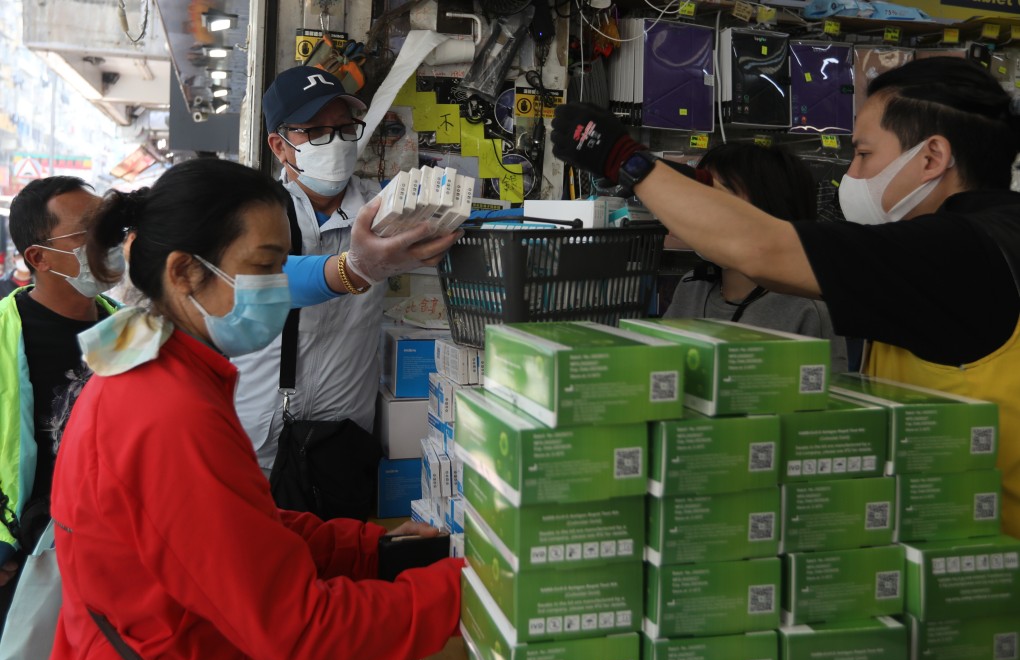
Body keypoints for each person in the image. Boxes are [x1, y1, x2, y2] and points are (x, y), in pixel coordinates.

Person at [551, 56, 1020, 538]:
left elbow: (762, 247)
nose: (852, 173)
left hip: (994, 570)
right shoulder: (980, 239)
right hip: (946, 550)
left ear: (931, 158)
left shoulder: (957, 251)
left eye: (862, 153)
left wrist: (623, 158)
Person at [46, 157, 461, 660]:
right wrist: (468, 590)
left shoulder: (161, 371)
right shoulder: (168, 413)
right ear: (184, 272)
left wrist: (372, 551)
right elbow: (302, 633)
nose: (281, 288)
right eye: (265, 268)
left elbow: (240, 531)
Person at [233, 65, 461, 474]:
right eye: (316, 132)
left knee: (340, 536)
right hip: (259, 435)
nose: (334, 142)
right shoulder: (256, 212)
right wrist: (356, 268)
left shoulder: (384, 210)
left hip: (345, 435)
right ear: (279, 145)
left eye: (343, 128)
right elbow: (267, 280)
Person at [0, 176, 117, 625]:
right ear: (38, 257)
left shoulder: (130, 332)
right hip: (24, 558)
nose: (106, 241)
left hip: (113, 551)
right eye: (89, 231)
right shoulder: (8, 336)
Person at [662, 144, 849, 372]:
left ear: (768, 208)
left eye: (718, 196)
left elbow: (826, 398)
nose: (699, 210)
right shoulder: (692, 287)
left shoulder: (807, 308)